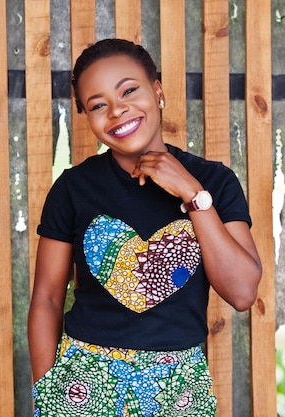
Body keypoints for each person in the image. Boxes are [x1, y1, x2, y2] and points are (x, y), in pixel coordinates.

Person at [27, 38, 262, 417]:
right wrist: (47, 391)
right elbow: (48, 299)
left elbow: (242, 292)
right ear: (87, 117)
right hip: (83, 385)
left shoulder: (213, 181)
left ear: (158, 91)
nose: (117, 111)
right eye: (98, 105)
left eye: (129, 91)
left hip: (178, 387)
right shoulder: (73, 188)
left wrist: (191, 193)